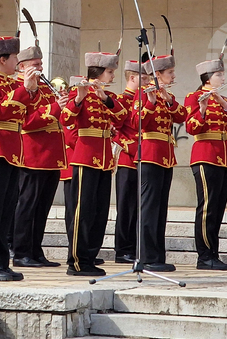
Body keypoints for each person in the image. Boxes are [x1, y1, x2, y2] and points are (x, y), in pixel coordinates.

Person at [0, 36, 59, 282]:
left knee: (5, 212)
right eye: (13, 58)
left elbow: (25, 112)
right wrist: (25, 91)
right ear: (3, 59)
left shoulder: (10, 84)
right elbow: (0, 110)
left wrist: (27, 92)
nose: (16, 62)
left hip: (11, 150)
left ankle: (1, 262)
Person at [62, 50, 127, 277]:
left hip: (104, 160)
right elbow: (66, 119)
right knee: (84, 211)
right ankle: (77, 260)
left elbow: (122, 117)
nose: (112, 76)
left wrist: (106, 99)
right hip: (85, 157)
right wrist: (79, 98)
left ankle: (90, 257)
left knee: (99, 212)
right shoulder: (79, 90)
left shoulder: (106, 96)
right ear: (98, 73)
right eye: (109, 72)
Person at [12, 45, 67, 269]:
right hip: (32, 154)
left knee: (42, 207)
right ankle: (21, 252)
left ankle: (36, 251)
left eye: (40, 64)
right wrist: (55, 108)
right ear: (22, 67)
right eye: (36, 64)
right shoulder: (18, 88)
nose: (40, 68)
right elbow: (26, 121)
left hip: (51, 155)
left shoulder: (45, 87)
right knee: (27, 206)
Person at [184, 59, 227, 271]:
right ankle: (205, 256)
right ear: (208, 78)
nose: (223, 78)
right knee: (207, 208)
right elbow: (191, 127)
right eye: (219, 75)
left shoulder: (226, 100)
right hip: (205, 156)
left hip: (225, 158)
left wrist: (223, 104)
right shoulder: (194, 97)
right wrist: (203, 109)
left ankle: (213, 253)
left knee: (218, 208)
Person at [138, 53, 186, 272]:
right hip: (149, 156)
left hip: (166, 157)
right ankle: (146, 256)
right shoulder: (142, 94)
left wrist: (169, 99)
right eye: (169, 73)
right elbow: (135, 122)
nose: (173, 76)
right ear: (157, 75)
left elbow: (181, 116)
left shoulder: (167, 95)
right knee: (149, 209)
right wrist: (150, 102)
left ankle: (158, 255)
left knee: (160, 210)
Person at [113, 59, 146, 264]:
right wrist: (132, 148)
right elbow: (115, 130)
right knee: (126, 207)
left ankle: (136, 247)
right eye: (145, 77)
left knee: (140, 206)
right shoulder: (120, 100)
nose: (148, 81)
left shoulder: (145, 99)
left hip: (145, 157)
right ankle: (123, 249)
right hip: (127, 158)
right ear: (133, 77)